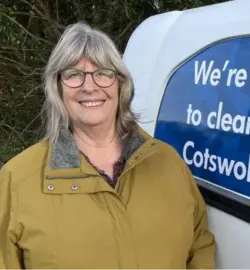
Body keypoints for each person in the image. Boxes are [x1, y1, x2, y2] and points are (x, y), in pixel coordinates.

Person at [0, 21, 216, 269]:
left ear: (120, 84)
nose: (89, 87)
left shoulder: (168, 163)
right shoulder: (17, 180)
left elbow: (199, 243)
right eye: (74, 75)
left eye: (103, 73)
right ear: (57, 88)